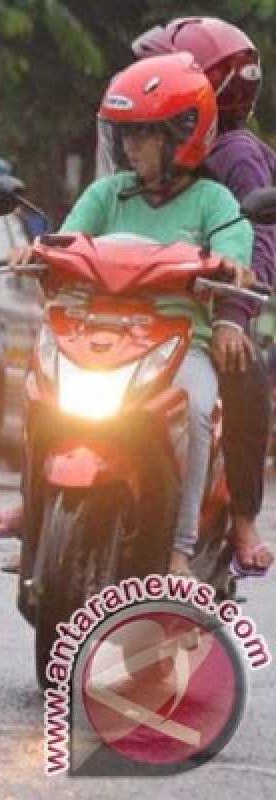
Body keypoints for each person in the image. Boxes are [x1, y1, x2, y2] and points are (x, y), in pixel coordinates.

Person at [6, 53, 254, 576]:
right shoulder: (107, 193)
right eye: (123, 134)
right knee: (37, 389)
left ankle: (180, 549)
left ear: (182, 136)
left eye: (142, 134)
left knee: (195, 410)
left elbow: (236, 242)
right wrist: (38, 252)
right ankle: (34, 512)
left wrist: (232, 264)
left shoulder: (214, 201)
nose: (128, 147)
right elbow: (67, 240)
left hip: (178, 342)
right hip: (93, 334)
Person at [132, 17, 273, 576]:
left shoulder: (235, 153)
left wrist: (234, 315)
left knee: (245, 378)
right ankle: (42, 500)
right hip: (141, 312)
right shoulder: (146, 139)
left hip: (213, 314)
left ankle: (241, 516)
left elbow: (257, 242)